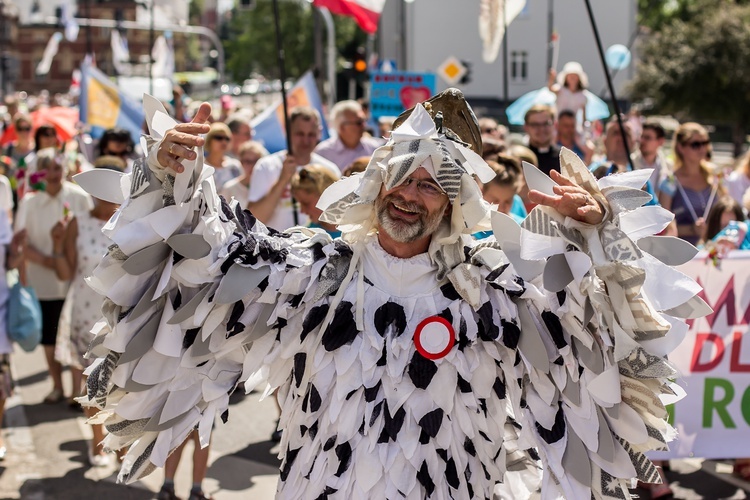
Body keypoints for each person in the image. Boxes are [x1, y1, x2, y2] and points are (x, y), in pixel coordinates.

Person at [80, 90, 700, 499]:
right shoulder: (311, 268)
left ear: (456, 203)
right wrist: (169, 177)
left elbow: (600, 341)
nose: (411, 194)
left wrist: (601, 238)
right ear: (377, 181)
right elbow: (208, 259)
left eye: (433, 185)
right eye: (401, 176)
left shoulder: (493, 288)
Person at [50, 155, 124, 467]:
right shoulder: (76, 223)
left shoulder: (132, 222)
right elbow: (65, 273)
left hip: (120, 311)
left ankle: (120, 444)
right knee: (92, 381)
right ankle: (98, 443)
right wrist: (56, 246)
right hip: (84, 309)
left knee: (121, 381)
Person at [14, 148, 92, 404]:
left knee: (76, 335)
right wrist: (46, 260)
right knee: (49, 336)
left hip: (75, 278)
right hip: (43, 281)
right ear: (38, 174)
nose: (53, 175)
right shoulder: (30, 203)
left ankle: (76, 390)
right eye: (46, 170)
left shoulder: (79, 197)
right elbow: (21, 243)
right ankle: (57, 386)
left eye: (57, 168)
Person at [247, 106, 339, 231]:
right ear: (287, 132)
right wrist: (282, 181)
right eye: (300, 134)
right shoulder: (266, 166)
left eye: (311, 134)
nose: (305, 140)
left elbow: (339, 220)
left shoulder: (329, 169)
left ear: (319, 133)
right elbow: (253, 220)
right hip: (276, 247)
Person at [659, 122, 723, 245]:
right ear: (680, 148)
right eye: (695, 144)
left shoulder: (715, 175)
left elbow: (726, 212)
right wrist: (692, 229)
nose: (702, 148)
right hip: (683, 251)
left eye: (705, 143)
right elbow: (664, 224)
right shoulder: (670, 181)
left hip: (713, 249)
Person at [589, 117, 658, 206]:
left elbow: (655, 211)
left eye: (626, 134)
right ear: (604, 141)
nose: (621, 138)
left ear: (633, 142)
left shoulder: (641, 177)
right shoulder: (591, 171)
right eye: (615, 133)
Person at [314, 100, 381, 172]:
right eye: (359, 122)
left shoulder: (374, 149)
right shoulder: (323, 153)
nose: (364, 125)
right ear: (342, 127)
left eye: (364, 120)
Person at [290, 164, 341, 238]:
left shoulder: (359, 231)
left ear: (325, 196)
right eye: (299, 204)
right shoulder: (307, 235)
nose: (302, 210)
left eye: (306, 203)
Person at [632, 119, 672, 198]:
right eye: (642, 136)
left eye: (647, 138)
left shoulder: (669, 167)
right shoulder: (630, 163)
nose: (642, 141)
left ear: (660, 142)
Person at [523, 104, 560, 176]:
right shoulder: (520, 158)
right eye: (535, 125)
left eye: (546, 123)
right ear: (526, 128)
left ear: (555, 125)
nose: (542, 129)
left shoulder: (563, 158)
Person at [204, 122, 242, 192]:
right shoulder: (201, 167)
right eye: (219, 138)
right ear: (209, 140)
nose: (224, 142)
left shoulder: (235, 166)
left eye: (227, 139)